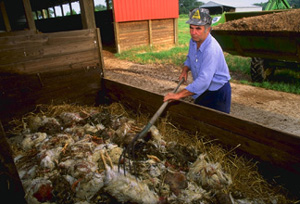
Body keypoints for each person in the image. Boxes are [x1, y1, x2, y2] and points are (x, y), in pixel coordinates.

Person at [163, 8, 231, 114]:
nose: (193, 32)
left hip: (217, 92)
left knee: (218, 125)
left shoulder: (211, 49)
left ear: (208, 29)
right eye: (191, 28)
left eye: (198, 28)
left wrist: (178, 95)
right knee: (200, 120)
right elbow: (191, 58)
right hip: (202, 90)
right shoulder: (194, 41)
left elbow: (204, 80)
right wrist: (185, 70)